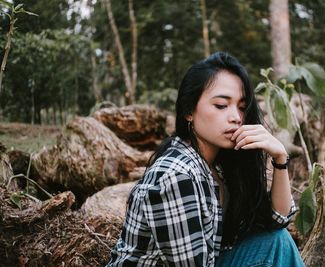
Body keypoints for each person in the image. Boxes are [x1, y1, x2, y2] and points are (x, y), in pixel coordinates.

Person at [106, 52, 305, 267]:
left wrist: (280, 158)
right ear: (189, 111)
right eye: (221, 105)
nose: (236, 117)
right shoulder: (176, 176)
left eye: (241, 106)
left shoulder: (219, 168)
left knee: (277, 242)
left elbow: (278, 221)